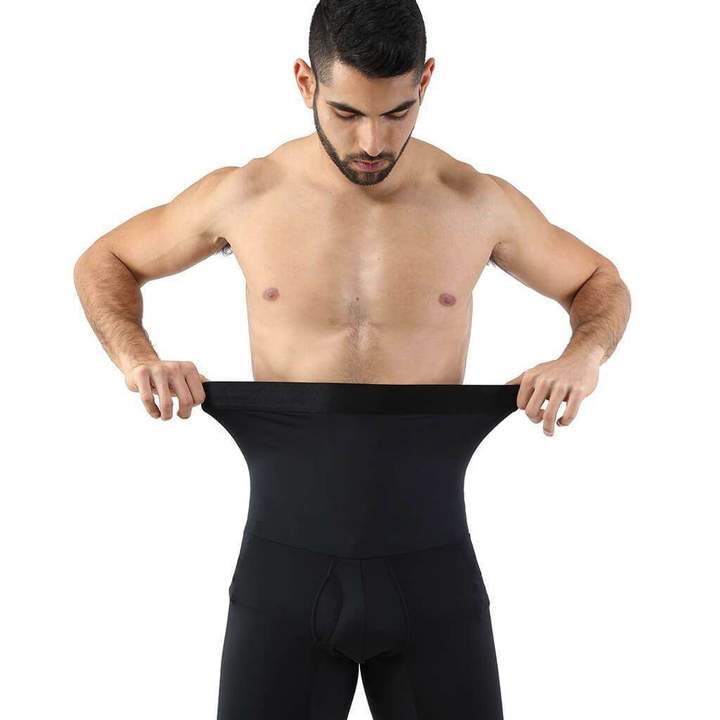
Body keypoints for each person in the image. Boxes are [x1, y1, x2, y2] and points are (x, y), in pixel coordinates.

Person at [74, 1, 631, 717]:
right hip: (283, 575)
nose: (373, 140)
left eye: (398, 113)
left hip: (432, 576)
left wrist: (583, 355)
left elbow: (599, 281)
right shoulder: (245, 195)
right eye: (346, 113)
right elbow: (106, 261)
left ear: (426, 80)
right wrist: (138, 357)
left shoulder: (476, 202)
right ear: (305, 82)